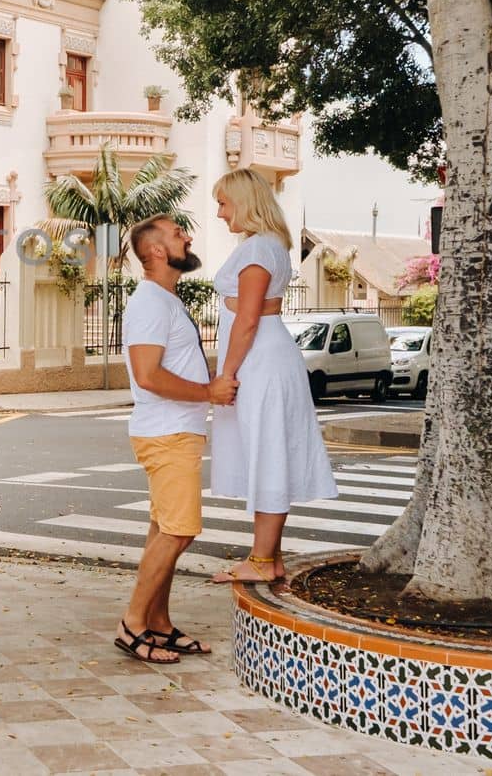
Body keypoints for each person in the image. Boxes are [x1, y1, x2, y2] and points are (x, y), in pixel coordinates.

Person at [116, 215, 237, 664]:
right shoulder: (149, 302)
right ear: (157, 252)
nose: (188, 235)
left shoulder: (165, 300)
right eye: (176, 233)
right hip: (166, 432)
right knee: (178, 530)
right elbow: (147, 376)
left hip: (174, 431)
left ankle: (159, 623)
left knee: (164, 530)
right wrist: (208, 392)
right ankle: (132, 624)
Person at [207, 168, 338, 584]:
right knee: (269, 450)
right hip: (265, 356)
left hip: (259, 360)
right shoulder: (268, 245)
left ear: (244, 202)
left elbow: (246, 319)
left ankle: (263, 561)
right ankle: (269, 558)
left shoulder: (259, 249)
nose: (220, 214)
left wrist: (225, 374)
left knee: (267, 451)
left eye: (224, 203)